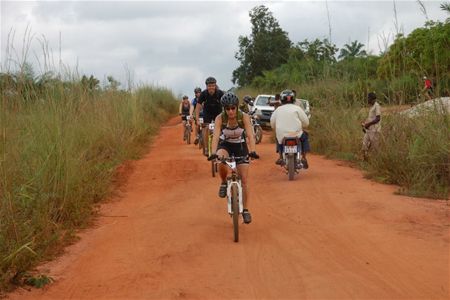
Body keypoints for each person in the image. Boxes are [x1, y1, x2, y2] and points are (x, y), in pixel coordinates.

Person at [208, 92, 259, 224]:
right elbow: (215, 137)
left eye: (233, 108)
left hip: (240, 146)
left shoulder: (244, 117)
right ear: (224, 109)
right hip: (225, 145)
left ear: (236, 107)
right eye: (227, 108)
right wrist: (213, 153)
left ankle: (246, 210)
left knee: (244, 180)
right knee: (220, 158)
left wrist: (253, 151)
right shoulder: (220, 118)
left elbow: (250, 135)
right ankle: (224, 182)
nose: (230, 111)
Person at [270, 89, 310, 168]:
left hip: (282, 135)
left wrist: (275, 128)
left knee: (278, 139)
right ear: (293, 99)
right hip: (297, 135)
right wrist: (303, 126)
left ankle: (281, 156)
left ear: (282, 99)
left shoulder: (278, 110)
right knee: (305, 137)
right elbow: (306, 122)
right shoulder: (297, 108)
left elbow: (272, 123)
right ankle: (304, 157)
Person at [195, 77, 225, 156]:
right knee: (205, 128)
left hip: (218, 113)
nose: (211, 87)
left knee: (221, 128)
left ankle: (221, 145)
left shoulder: (220, 93)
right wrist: (197, 119)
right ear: (206, 86)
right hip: (207, 113)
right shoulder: (203, 94)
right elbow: (198, 107)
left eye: (213, 85)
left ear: (215, 86)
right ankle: (206, 148)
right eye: (209, 86)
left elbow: (226, 105)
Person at [361, 92, 381, 160]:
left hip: (375, 130)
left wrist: (368, 124)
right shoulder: (371, 107)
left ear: (372, 99)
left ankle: (376, 161)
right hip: (369, 130)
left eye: (368, 99)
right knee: (364, 145)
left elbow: (378, 118)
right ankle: (365, 160)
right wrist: (365, 125)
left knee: (374, 148)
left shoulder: (377, 106)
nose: (367, 100)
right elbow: (371, 118)